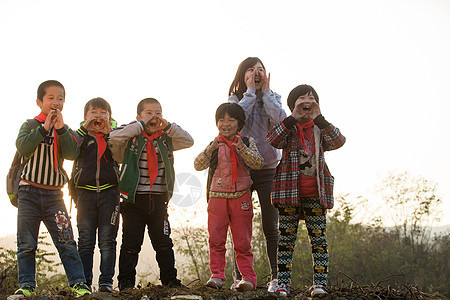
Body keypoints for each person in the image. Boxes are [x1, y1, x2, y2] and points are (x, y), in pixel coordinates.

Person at [14, 80, 91, 297]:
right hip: (28, 193)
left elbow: (72, 153)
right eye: (51, 98)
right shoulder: (29, 125)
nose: (56, 102)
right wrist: (45, 127)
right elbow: (23, 147)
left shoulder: (64, 130)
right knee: (27, 243)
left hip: (54, 195)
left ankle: (78, 283)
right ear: (40, 102)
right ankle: (27, 285)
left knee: (66, 241)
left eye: (60, 98)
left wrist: (60, 129)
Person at [267, 84, 346, 297]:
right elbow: (273, 139)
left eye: (311, 98)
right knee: (285, 242)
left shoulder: (319, 127)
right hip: (288, 193)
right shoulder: (289, 127)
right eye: (302, 98)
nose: (307, 102)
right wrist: (293, 117)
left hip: (316, 194)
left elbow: (339, 140)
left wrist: (319, 117)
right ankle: (283, 284)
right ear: (293, 104)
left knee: (319, 241)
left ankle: (319, 284)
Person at [110, 98, 194, 291]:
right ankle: (126, 283)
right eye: (148, 113)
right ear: (139, 117)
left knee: (163, 242)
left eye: (157, 112)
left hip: (158, 199)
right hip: (133, 200)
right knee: (131, 243)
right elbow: (113, 137)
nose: (153, 116)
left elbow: (188, 141)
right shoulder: (132, 134)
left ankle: (170, 280)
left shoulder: (166, 137)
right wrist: (139, 126)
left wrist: (169, 126)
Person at [228, 57, 286, 292]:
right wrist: (250, 92)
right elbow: (235, 121)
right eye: (251, 70)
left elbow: (282, 121)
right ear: (242, 75)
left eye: (260, 69)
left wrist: (266, 94)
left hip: (269, 168)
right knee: (240, 226)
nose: (256, 72)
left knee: (271, 226)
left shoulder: (273, 97)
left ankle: (276, 277)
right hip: (241, 167)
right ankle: (241, 277)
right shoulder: (234, 100)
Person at [194, 103, 264, 292]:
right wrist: (210, 150)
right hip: (217, 197)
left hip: (241, 196)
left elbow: (258, 163)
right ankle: (217, 276)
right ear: (216, 123)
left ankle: (248, 278)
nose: (225, 124)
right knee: (216, 239)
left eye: (231, 120)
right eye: (221, 120)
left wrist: (242, 148)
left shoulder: (248, 142)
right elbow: (197, 165)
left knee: (242, 241)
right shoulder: (214, 144)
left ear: (239, 123)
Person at [70, 97, 120, 292]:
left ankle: (106, 281)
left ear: (110, 117)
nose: (98, 117)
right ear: (85, 117)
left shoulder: (116, 135)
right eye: (94, 113)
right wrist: (84, 130)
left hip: (110, 194)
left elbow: (121, 155)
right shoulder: (80, 136)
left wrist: (109, 136)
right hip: (84, 194)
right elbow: (70, 151)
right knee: (85, 240)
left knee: (108, 239)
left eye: (103, 114)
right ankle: (84, 282)